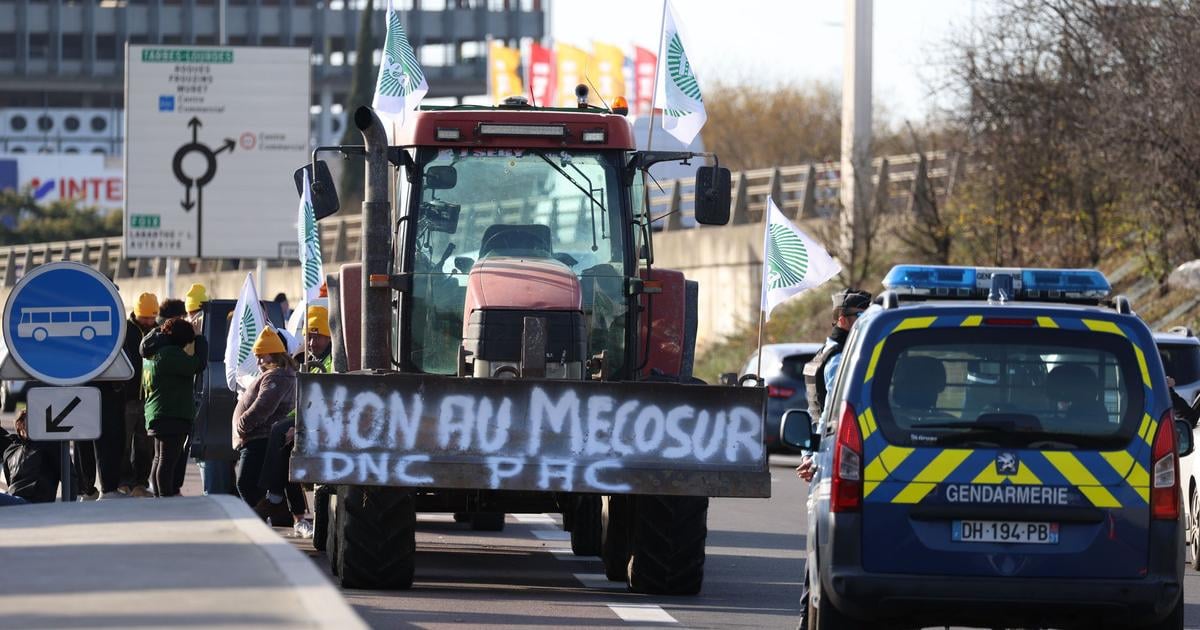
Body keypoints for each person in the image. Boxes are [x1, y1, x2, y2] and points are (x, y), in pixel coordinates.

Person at [795, 288, 872, 630]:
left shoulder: (828, 351)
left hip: (820, 456)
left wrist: (809, 453)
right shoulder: (841, 358)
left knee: (820, 543)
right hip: (830, 458)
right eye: (859, 316)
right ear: (842, 318)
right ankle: (807, 617)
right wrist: (815, 455)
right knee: (825, 546)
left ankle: (808, 617)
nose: (864, 322)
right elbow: (828, 415)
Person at [256, 307, 333, 534]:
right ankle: (286, 505)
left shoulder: (332, 363)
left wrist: (298, 425)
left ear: (330, 337)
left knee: (281, 433)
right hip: (308, 417)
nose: (311, 343)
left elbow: (321, 402)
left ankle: (274, 496)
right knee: (281, 437)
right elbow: (303, 401)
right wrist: (293, 419)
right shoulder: (312, 361)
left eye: (317, 337)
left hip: (324, 422)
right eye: (309, 337)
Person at [142, 317, 207, 497]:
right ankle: (165, 499)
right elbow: (198, 364)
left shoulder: (152, 352)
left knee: (159, 458)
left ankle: (159, 497)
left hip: (157, 412)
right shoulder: (170, 354)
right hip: (172, 412)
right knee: (167, 460)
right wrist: (200, 338)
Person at [233, 328, 297, 510]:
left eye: (262, 356)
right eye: (257, 356)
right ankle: (264, 519)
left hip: (259, 437)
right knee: (253, 486)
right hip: (257, 437)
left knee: (246, 484)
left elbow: (263, 407)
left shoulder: (277, 375)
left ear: (275, 355)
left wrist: (242, 426)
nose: (259, 362)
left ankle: (260, 520)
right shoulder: (278, 374)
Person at [118, 292, 158, 497]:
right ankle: (123, 481)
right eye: (146, 317)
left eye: (152, 317)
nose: (149, 321)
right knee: (123, 443)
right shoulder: (124, 330)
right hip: (127, 397)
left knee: (145, 445)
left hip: (149, 398)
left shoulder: (158, 332)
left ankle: (140, 483)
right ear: (136, 313)